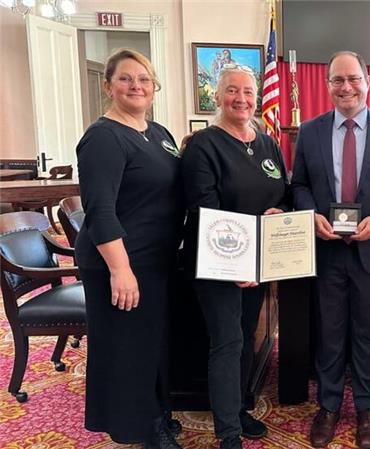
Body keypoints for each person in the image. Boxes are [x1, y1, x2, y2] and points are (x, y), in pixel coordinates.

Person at [291, 50, 370, 449]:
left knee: (368, 333)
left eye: (353, 79)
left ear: (367, 82)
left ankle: (367, 408)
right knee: (329, 332)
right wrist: (311, 214)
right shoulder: (309, 131)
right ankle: (328, 407)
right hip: (327, 249)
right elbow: (299, 185)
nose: (345, 87)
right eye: (337, 80)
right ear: (327, 85)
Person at [75, 48, 184, 449]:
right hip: (120, 261)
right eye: (126, 78)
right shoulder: (103, 137)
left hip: (156, 260)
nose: (136, 85)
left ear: (154, 87)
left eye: (144, 79)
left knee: (153, 342)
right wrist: (121, 269)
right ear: (109, 86)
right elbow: (100, 209)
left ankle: (157, 414)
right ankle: (140, 429)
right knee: (128, 349)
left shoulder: (159, 134)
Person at [181, 65, 291, 449]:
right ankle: (228, 432)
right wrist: (237, 263)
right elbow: (203, 209)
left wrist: (280, 209)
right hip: (219, 263)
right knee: (227, 341)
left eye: (247, 91)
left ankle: (239, 406)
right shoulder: (203, 145)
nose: (240, 99)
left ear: (257, 96)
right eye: (231, 91)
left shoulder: (265, 142)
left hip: (259, 261)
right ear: (218, 96)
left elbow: (282, 190)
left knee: (246, 338)